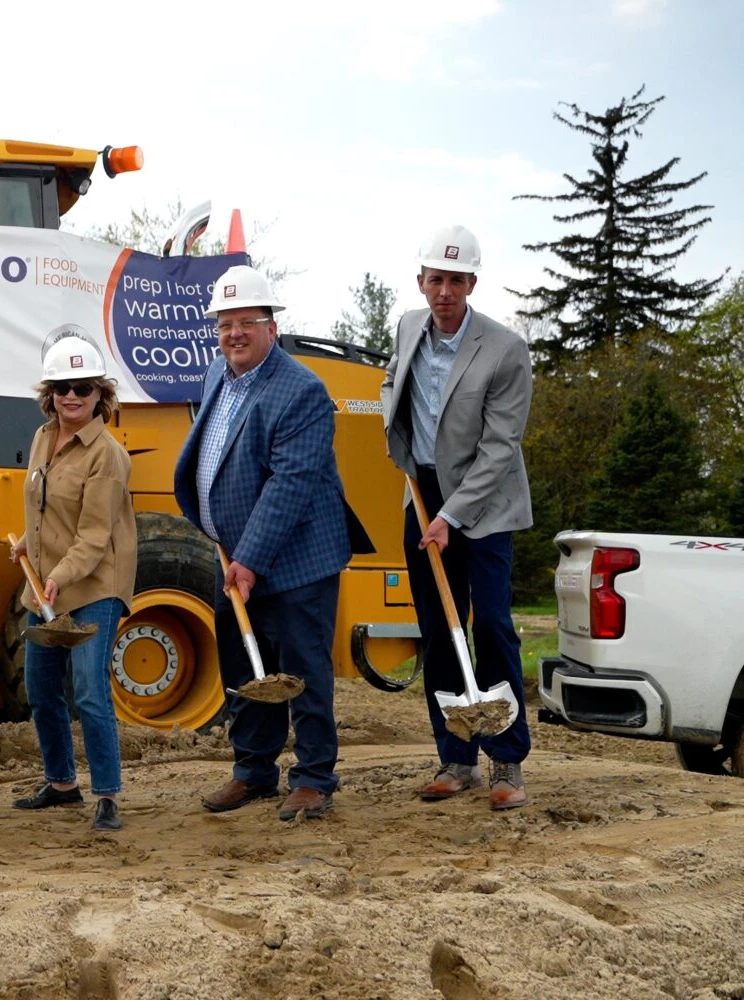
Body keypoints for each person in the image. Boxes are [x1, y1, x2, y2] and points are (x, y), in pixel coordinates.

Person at [175, 263, 366, 822]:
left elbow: (292, 485)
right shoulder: (217, 375)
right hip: (233, 554)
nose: (234, 333)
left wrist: (250, 560)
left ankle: (312, 777)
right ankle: (254, 770)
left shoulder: (302, 391)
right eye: (225, 323)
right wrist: (225, 544)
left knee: (301, 670)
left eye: (247, 322)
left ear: (271, 326)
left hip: (295, 559)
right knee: (243, 668)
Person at [381, 225, 533, 811]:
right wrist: (396, 436)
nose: (444, 291)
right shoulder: (408, 326)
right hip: (421, 494)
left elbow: (502, 446)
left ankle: (507, 762)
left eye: (456, 280)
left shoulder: (504, 349)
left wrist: (452, 514)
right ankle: (455, 757)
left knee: (491, 624)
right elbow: (395, 378)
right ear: (421, 282)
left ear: (473, 283)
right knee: (441, 628)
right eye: (435, 279)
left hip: (485, 505)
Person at [10, 334, 136, 831]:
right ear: (50, 392)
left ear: (99, 394)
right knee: (40, 686)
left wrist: (57, 577)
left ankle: (107, 794)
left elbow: (93, 535)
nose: (72, 396)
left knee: (88, 690)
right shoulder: (44, 437)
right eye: (63, 387)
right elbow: (46, 509)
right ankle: (62, 784)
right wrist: (26, 542)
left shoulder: (107, 455)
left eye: (83, 388)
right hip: (46, 584)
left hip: (94, 585)